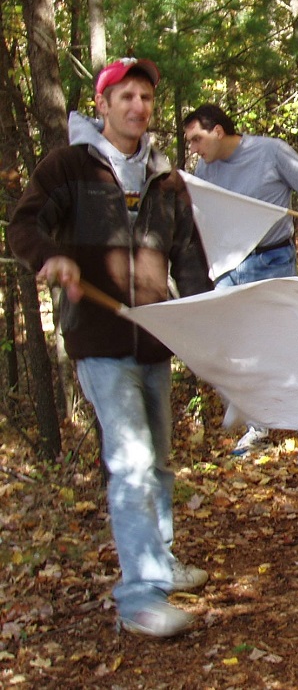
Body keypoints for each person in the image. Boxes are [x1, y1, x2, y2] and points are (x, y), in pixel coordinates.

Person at [8, 58, 213, 637]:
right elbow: (22, 224)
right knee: (129, 464)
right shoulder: (69, 166)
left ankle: (162, 561)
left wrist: (205, 322)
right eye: (124, 96)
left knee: (161, 462)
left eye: (145, 97)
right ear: (101, 105)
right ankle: (139, 597)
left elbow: (190, 257)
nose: (137, 106)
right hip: (96, 338)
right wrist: (49, 256)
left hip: (155, 336)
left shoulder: (166, 179)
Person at [182, 103, 298, 465]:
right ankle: (259, 425)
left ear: (218, 131)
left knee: (286, 345)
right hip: (227, 267)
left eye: (196, 139)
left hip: (272, 260)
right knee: (239, 351)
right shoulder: (205, 167)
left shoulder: (269, 152)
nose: (193, 148)